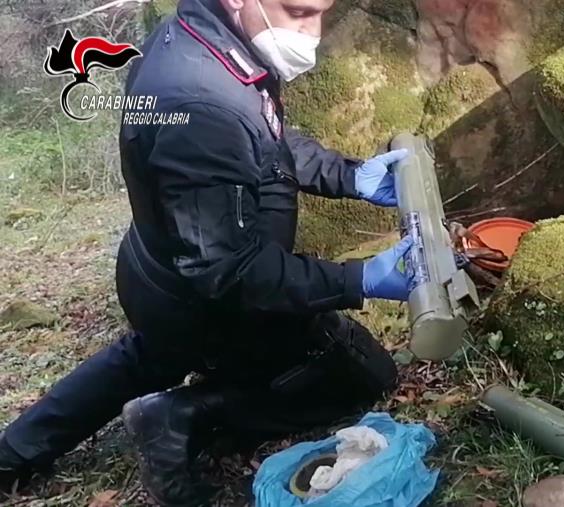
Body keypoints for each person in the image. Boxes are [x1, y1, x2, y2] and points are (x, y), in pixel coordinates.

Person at [0, 0, 416, 504]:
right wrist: (359, 279)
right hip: (212, 304)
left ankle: (12, 453)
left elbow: (261, 138)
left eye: (321, 12)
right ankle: (183, 415)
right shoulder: (198, 100)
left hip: (157, 275)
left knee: (149, 354)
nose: (314, 32)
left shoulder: (201, 38)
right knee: (360, 371)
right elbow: (232, 272)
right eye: (298, 12)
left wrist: (349, 174)